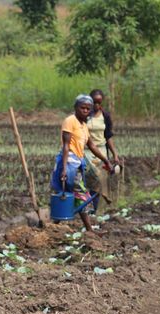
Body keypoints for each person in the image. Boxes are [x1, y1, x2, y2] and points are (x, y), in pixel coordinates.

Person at [51, 94, 115, 232]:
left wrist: (106, 161)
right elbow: (66, 145)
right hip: (69, 162)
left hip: (79, 162)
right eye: (82, 108)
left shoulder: (84, 125)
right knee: (80, 193)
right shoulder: (70, 121)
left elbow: (91, 145)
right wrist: (64, 168)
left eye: (88, 109)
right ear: (76, 108)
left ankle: (55, 222)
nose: (85, 111)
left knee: (73, 191)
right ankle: (89, 229)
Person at [85, 89, 122, 212]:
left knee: (99, 181)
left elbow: (108, 136)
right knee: (91, 178)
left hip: (101, 152)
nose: (96, 105)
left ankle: (94, 210)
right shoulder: (85, 115)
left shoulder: (105, 116)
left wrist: (114, 154)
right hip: (87, 151)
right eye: (94, 102)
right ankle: (86, 207)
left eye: (99, 103)